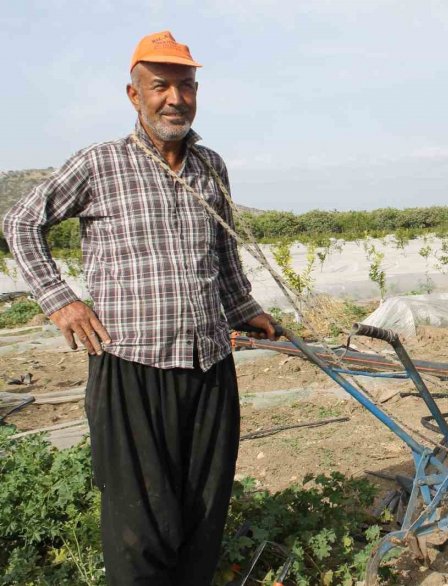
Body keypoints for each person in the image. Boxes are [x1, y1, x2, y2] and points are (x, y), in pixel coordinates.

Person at [2, 30, 277, 585]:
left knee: (203, 511)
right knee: (141, 527)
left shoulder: (210, 166)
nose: (175, 98)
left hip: (208, 365)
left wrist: (245, 308)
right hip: (132, 366)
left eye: (186, 85)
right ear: (134, 95)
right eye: (160, 86)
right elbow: (20, 222)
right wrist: (62, 302)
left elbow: (223, 253)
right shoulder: (100, 164)